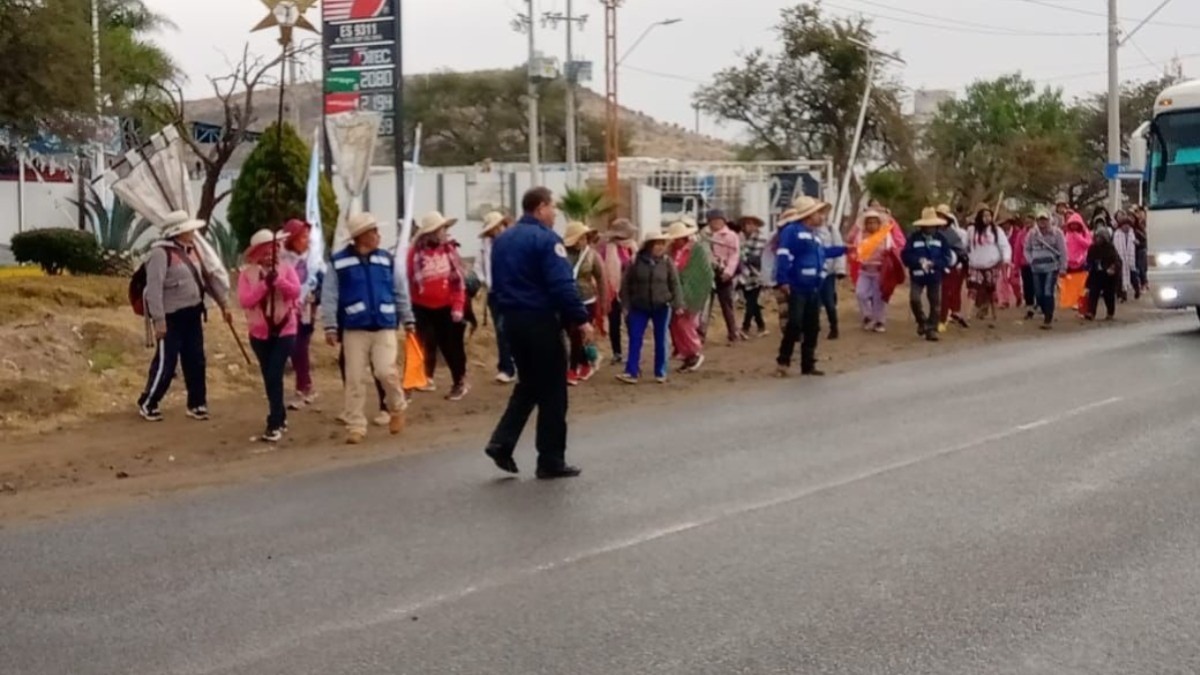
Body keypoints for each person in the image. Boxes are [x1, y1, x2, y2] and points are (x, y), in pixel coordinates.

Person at [484, 187, 593, 480]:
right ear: (541, 207)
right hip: (540, 320)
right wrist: (580, 319)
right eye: (552, 206)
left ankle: (501, 442)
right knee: (554, 392)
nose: (555, 212)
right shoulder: (546, 240)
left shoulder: (503, 240)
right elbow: (561, 285)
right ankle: (550, 459)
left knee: (530, 384)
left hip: (512, 321)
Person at [321, 212, 413, 444]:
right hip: (354, 328)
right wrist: (330, 325)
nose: (377, 235)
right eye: (373, 231)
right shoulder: (339, 262)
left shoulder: (386, 260)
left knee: (385, 372)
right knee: (354, 379)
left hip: (384, 325)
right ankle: (355, 425)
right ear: (360, 236)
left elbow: (399, 290)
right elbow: (330, 295)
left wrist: (408, 318)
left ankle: (397, 406)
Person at [137, 210, 232, 422]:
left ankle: (197, 403)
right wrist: (159, 321)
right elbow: (154, 290)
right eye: (189, 229)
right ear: (178, 232)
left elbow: (206, 281)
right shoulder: (160, 254)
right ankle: (148, 402)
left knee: (196, 359)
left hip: (193, 313)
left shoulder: (193, 251)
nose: (193, 232)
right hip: (171, 317)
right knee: (166, 362)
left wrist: (223, 304)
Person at [237, 229, 301, 442]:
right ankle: (280, 413)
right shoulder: (246, 275)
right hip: (259, 334)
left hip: (285, 329)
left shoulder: (287, 269)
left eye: (275, 248)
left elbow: (295, 291)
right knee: (269, 376)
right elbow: (246, 301)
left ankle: (273, 423)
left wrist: (278, 282)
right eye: (267, 249)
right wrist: (265, 285)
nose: (272, 253)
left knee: (274, 372)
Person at [774, 196, 845, 376]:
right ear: (808, 215)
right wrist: (782, 280)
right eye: (818, 213)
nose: (822, 217)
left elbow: (823, 253)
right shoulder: (791, 231)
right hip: (797, 285)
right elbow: (783, 255)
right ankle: (783, 361)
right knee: (795, 324)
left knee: (813, 326)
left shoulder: (815, 236)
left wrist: (846, 249)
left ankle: (808, 364)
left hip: (814, 286)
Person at [408, 211, 470, 401]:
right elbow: (406, 278)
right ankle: (409, 384)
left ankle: (459, 381)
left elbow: (458, 281)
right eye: (441, 229)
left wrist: (458, 305)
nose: (444, 232)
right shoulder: (414, 254)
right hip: (420, 305)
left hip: (446, 305)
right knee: (416, 344)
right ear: (431, 232)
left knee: (450, 345)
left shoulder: (449, 251)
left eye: (444, 228)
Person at [616, 230, 682, 385]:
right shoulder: (635, 262)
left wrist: (677, 303)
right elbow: (625, 285)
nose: (659, 247)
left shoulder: (667, 262)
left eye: (662, 244)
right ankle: (631, 372)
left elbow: (675, 284)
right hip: (639, 306)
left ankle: (661, 371)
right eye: (656, 244)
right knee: (635, 338)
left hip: (662, 306)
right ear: (649, 246)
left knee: (661, 339)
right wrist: (626, 305)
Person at [278, 219, 319, 411]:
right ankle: (304, 384)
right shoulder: (283, 260)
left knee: (300, 346)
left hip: (305, 310)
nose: (306, 241)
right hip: (286, 310)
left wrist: (313, 296)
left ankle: (303, 387)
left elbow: (320, 281)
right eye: (302, 237)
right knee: (293, 347)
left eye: (307, 237)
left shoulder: (313, 260)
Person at [903, 208, 957, 342]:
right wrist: (918, 261)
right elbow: (905, 255)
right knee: (914, 299)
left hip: (934, 276)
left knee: (935, 303)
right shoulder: (913, 238)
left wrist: (935, 263)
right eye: (927, 226)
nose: (929, 229)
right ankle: (922, 322)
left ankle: (931, 329)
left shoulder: (941, 239)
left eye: (932, 226)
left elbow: (947, 258)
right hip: (917, 275)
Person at [563, 221, 606, 385]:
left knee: (576, 334)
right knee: (570, 333)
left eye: (585, 237)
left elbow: (601, 278)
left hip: (587, 300)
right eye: (579, 238)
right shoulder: (562, 254)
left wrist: (602, 303)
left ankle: (573, 369)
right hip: (567, 300)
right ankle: (587, 363)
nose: (582, 241)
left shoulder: (592, 255)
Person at [667, 218, 711, 373]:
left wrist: (688, 293)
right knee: (675, 325)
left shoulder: (697, 250)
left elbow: (702, 274)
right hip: (676, 293)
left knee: (685, 324)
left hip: (691, 292)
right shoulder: (672, 251)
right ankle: (686, 354)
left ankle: (694, 352)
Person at [477, 211, 516, 384]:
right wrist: (485, 281)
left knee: (513, 329)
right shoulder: (485, 246)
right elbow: (478, 266)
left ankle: (514, 364)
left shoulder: (514, 242)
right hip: (495, 293)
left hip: (513, 291)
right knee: (501, 330)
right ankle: (506, 367)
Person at [849, 208, 901, 333]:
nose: (871, 225)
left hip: (880, 271)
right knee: (860, 293)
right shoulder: (861, 236)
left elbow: (893, 250)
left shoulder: (886, 236)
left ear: (879, 224)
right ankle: (867, 316)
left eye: (874, 222)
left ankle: (879, 321)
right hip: (865, 270)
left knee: (879, 297)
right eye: (869, 222)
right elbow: (856, 250)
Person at [599, 218, 639, 365]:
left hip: (631, 290)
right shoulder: (606, 248)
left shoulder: (633, 247)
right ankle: (617, 352)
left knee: (632, 322)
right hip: (613, 290)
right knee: (614, 322)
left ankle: (633, 352)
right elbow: (602, 269)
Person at [966, 205, 1012, 326]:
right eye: (984, 216)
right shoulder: (971, 231)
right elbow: (966, 246)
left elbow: (1005, 245)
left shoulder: (996, 231)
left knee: (991, 290)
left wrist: (1006, 259)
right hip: (975, 265)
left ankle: (994, 314)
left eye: (989, 215)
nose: (987, 218)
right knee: (973, 289)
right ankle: (967, 316)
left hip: (991, 264)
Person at [703, 209, 745, 343]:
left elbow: (735, 255)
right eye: (712, 221)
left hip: (724, 272)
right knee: (705, 305)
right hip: (708, 272)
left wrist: (728, 272)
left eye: (718, 220)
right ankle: (700, 334)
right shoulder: (703, 235)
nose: (715, 223)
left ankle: (733, 332)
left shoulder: (731, 236)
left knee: (727, 304)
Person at [1024, 210, 1068, 330]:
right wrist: (1031, 260)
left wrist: (1063, 267)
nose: (1042, 222)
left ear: (1049, 220)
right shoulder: (1032, 234)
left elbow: (1063, 251)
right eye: (1040, 219)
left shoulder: (1057, 233)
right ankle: (1044, 310)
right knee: (1038, 293)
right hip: (1036, 267)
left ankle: (1048, 318)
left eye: (1044, 219)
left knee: (1048, 291)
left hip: (1051, 267)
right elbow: (1027, 249)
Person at [813, 207, 847, 340]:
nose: (820, 216)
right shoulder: (809, 230)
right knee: (814, 302)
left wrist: (840, 269)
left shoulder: (831, 229)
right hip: (813, 272)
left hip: (828, 272)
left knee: (829, 302)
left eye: (822, 213)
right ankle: (814, 326)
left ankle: (834, 327)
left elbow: (838, 248)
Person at [935, 204, 970, 331]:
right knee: (932, 294)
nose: (939, 218)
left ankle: (942, 319)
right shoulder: (930, 231)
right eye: (937, 215)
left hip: (948, 266)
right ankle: (932, 317)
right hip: (931, 266)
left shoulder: (952, 234)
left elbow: (960, 251)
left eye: (942, 216)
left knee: (945, 293)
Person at [738, 216, 769, 337]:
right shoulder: (741, 238)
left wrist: (745, 258)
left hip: (756, 273)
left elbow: (761, 258)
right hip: (744, 273)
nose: (749, 226)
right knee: (752, 302)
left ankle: (745, 327)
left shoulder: (761, 239)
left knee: (751, 301)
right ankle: (761, 326)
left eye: (752, 224)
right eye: (747, 224)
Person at [1084, 228, 1122, 321]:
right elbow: (1089, 261)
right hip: (1096, 274)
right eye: (1097, 237)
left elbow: (1117, 261)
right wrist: (1089, 266)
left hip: (1108, 276)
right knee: (1093, 293)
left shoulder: (1110, 248)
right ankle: (1091, 312)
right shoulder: (1092, 248)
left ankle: (1110, 312)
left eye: (1100, 237)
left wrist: (1112, 268)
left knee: (1108, 295)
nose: (1098, 239)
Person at [1112, 212, 1139, 300]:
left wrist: (1136, 243)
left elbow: (1137, 243)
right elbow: (1115, 246)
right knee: (1121, 277)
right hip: (1121, 258)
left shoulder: (1132, 234)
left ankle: (1137, 289)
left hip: (1130, 259)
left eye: (1128, 225)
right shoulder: (1117, 234)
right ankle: (1122, 294)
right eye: (1124, 225)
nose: (1126, 227)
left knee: (1133, 275)